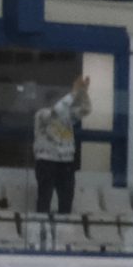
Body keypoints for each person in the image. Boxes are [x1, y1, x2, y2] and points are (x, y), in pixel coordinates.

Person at [33, 74, 89, 220]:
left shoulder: (67, 118)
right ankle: (41, 231)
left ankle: (65, 233)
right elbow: (57, 111)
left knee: (66, 202)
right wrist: (74, 93)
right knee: (44, 200)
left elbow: (85, 110)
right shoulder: (42, 115)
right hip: (46, 162)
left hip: (66, 164)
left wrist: (83, 93)